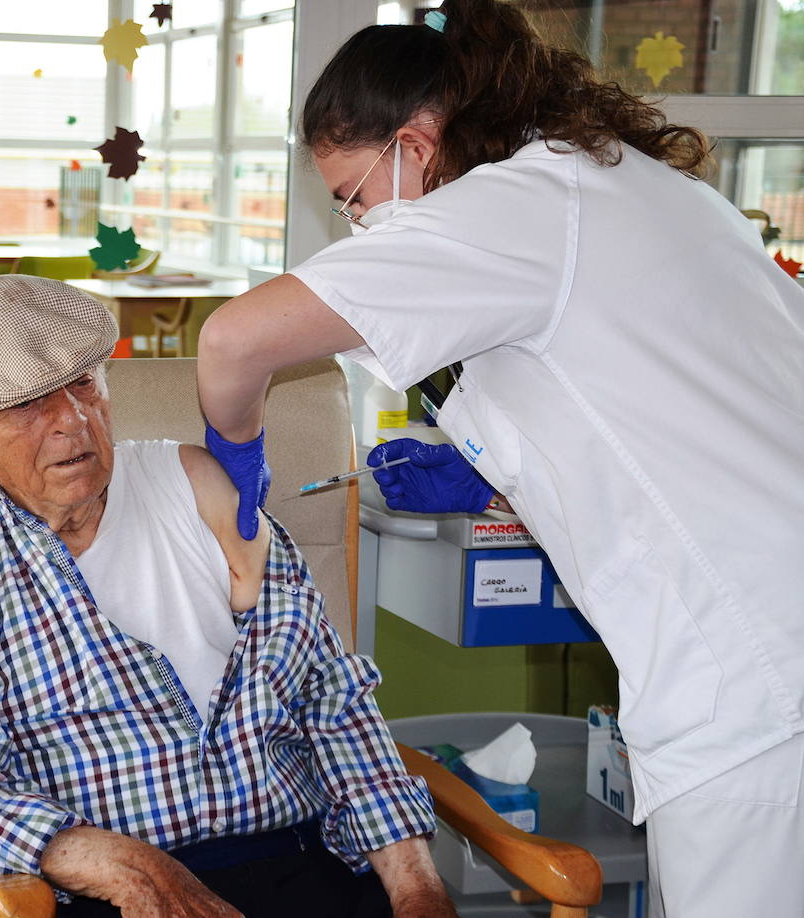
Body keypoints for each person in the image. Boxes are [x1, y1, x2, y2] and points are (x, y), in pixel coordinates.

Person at [194, 0, 804, 914]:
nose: (360, 226)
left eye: (355, 197)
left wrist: (235, 465)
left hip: (756, 675)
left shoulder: (510, 205)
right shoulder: (623, 183)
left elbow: (233, 344)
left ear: (418, 141)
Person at [0, 274, 458, 918]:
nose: (72, 421)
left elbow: (330, 700)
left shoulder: (198, 486)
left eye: (84, 384)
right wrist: (129, 867)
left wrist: (416, 891)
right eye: (29, 404)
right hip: (98, 884)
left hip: (294, 859)